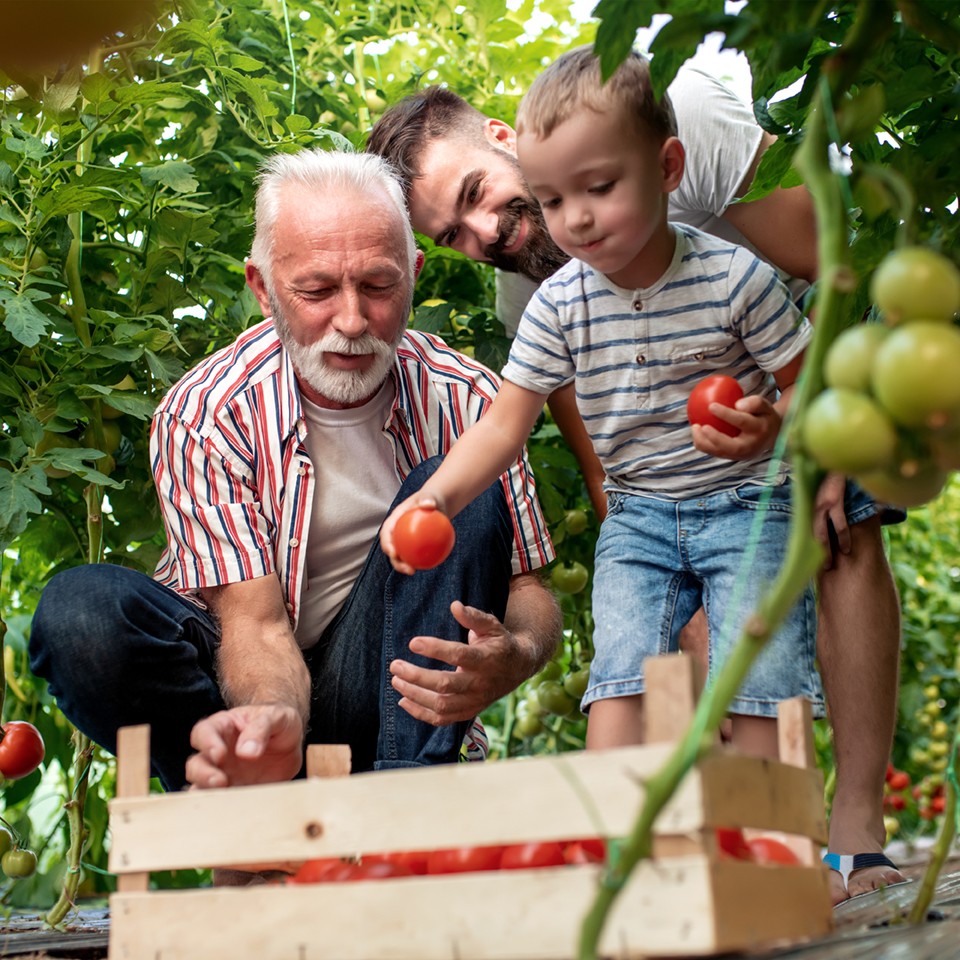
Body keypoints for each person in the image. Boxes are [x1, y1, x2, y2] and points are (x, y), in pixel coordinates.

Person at [368, 59, 904, 903]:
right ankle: (626, 861)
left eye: (476, 195)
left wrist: (806, 439)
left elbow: (840, 275)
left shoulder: (688, 148)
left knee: (833, 550)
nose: (485, 233)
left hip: (802, 370)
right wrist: (438, 498)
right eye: (453, 236)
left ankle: (836, 836)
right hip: (661, 499)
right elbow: (573, 452)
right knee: (630, 673)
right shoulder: (542, 301)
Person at [28, 150, 560, 803]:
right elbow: (254, 624)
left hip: (385, 693)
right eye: (316, 291)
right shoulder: (206, 413)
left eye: (379, 285)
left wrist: (517, 654)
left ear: (415, 274)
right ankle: (243, 791)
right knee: (82, 615)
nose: (352, 321)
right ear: (262, 288)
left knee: (453, 492)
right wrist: (271, 719)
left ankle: (405, 806)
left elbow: (527, 587)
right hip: (245, 684)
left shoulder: (471, 400)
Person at [381, 47, 824, 772]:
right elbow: (504, 425)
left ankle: (775, 834)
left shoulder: (736, 277)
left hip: (749, 505)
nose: (577, 220)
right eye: (555, 201)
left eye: (599, 189)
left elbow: (804, 376)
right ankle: (615, 836)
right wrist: (434, 499)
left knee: (759, 695)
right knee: (618, 691)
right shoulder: (553, 306)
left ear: (668, 169)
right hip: (640, 524)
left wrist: (776, 426)